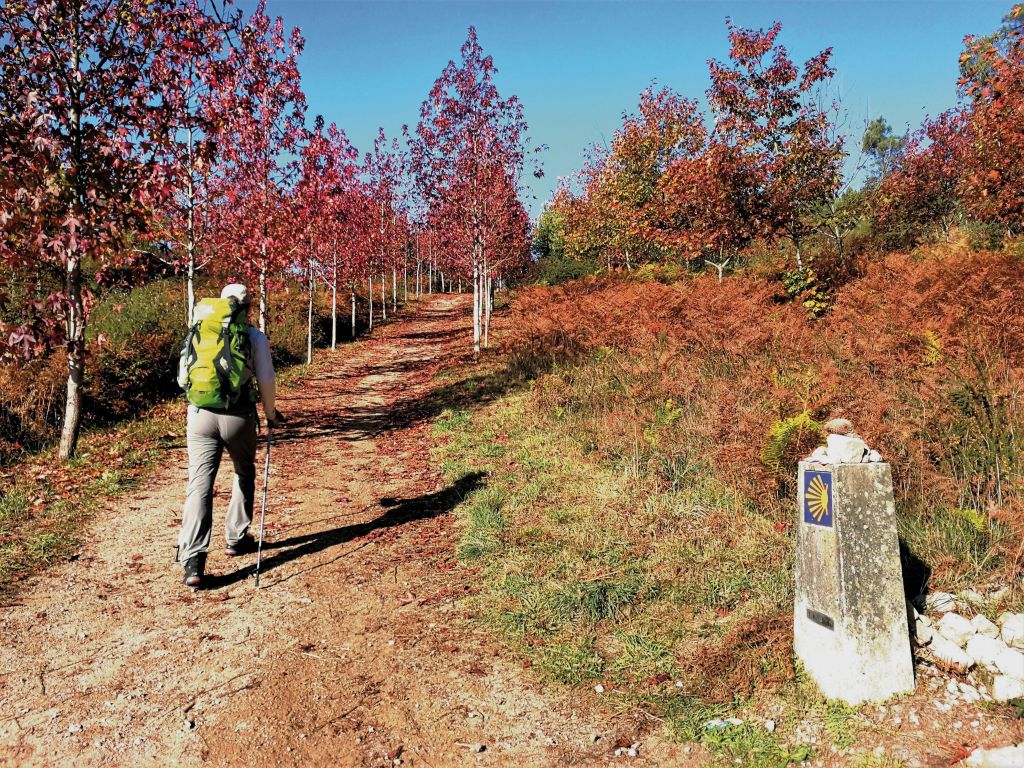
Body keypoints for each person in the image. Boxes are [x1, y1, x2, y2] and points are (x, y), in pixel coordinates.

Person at [176, 283, 281, 588]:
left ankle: (193, 560)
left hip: (199, 416)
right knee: (243, 472)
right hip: (239, 416)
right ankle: (236, 538)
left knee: (199, 485)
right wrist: (270, 413)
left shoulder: (199, 329)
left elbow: (183, 376)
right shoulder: (253, 335)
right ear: (248, 307)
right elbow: (266, 379)